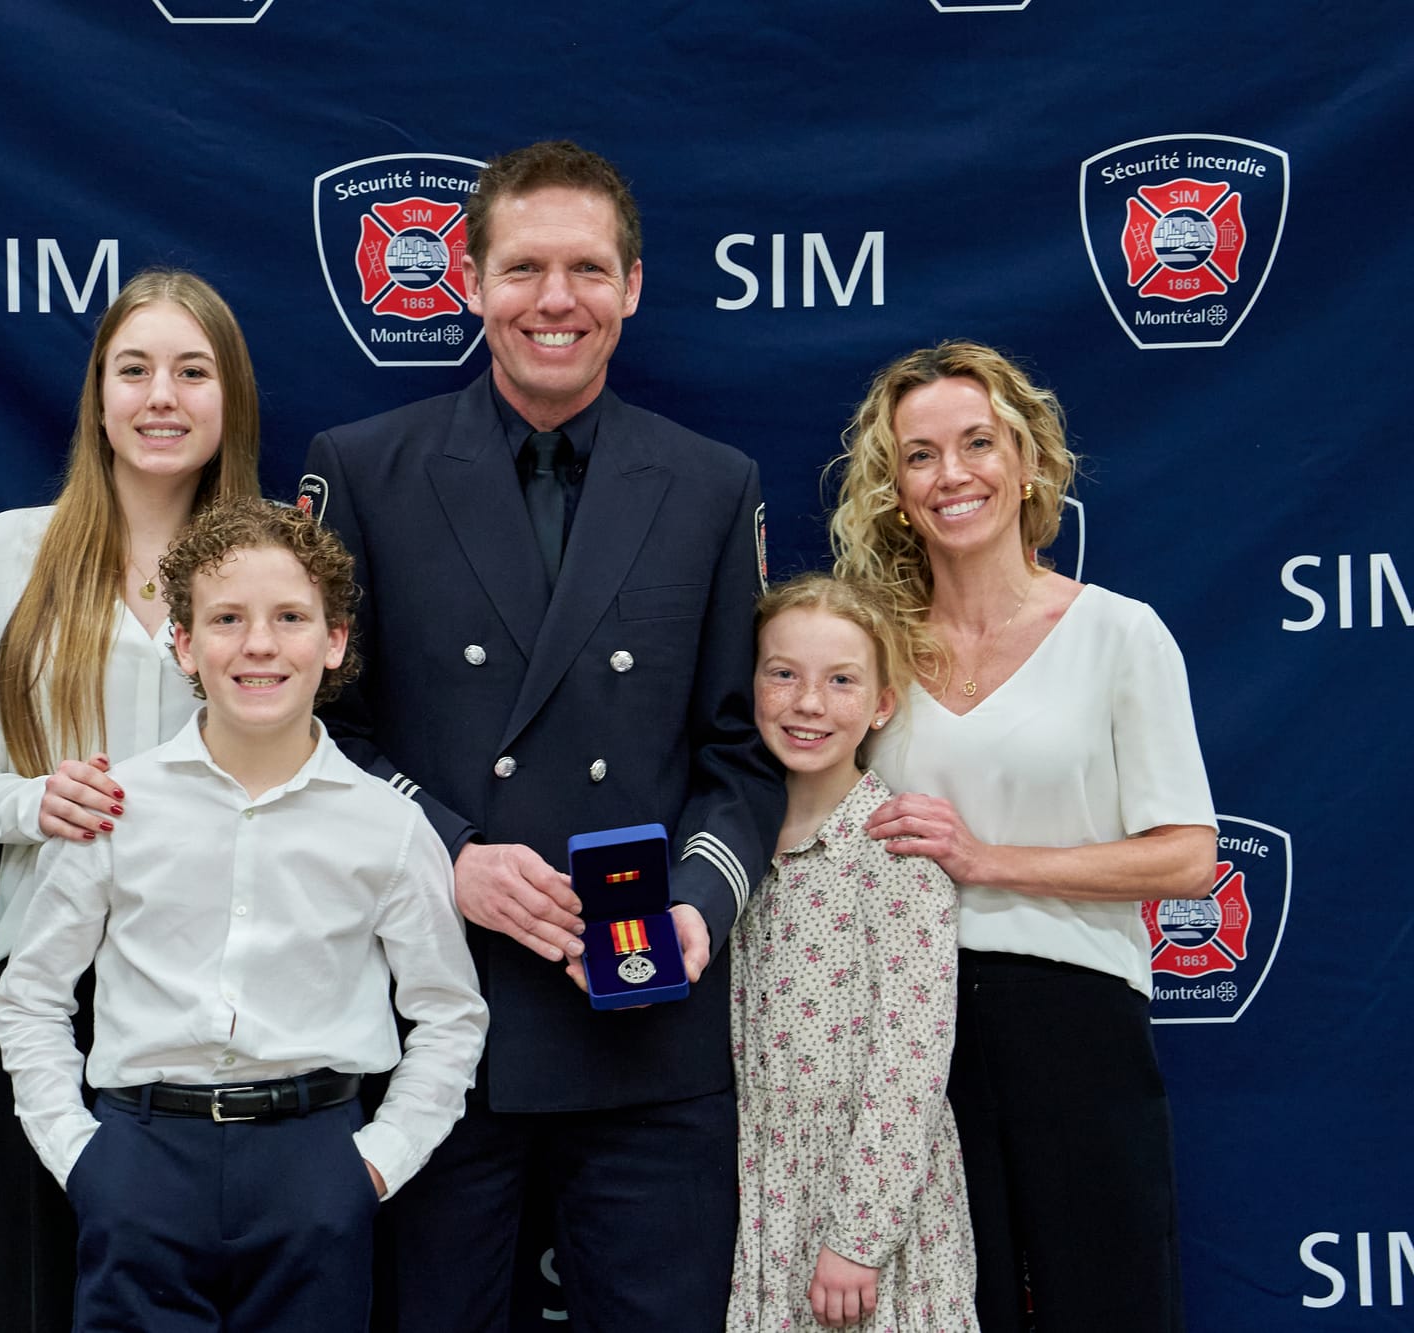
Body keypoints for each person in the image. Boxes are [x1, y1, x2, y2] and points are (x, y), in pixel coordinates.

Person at [300, 139, 786, 1332]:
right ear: (470, 281)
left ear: (632, 286)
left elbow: (740, 752)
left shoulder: (710, 485)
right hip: (434, 1024)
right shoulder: (364, 469)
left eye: (585, 269)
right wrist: (449, 854)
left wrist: (695, 909)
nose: (553, 300)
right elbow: (321, 735)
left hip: (643, 1032)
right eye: (522, 268)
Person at [0, 497, 488, 1332]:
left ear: (335, 640)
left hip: (315, 1168)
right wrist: (83, 1160)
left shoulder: (391, 826)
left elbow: (450, 1014)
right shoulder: (119, 807)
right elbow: (31, 994)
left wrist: (374, 1163)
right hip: (141, 1160)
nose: (259, 643)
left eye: (290, 616)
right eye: (227, 618)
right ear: (184, 643)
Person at [829, 341, 1216, 1333]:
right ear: (893, 488)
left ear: (1028, 461)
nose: (951, 474)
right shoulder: (868, 651)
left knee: (1111, 1304)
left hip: (1074, 1020)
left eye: (976, 443)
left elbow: (1186, 857)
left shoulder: (1119, 634)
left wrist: (987, 861)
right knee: (945, 1314)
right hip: (906, 1033)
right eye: (919, 455)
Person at [0, 268, 262, 1333]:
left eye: (192, 371)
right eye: (134, 369)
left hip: (230, 1002)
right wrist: (38, 803)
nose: (161, 396)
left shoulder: (270, 564)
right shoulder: (4, 555)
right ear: (97, 396)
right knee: (41, 1297)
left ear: (230, 397)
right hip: (48, 995)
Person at [728, 574, 978, 1332]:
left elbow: (911, 1063)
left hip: (869, 1215)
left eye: (841, 681)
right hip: (767, 1197)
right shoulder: (733, 856)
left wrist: (858, 1239)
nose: (809, 703)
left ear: (881, 704)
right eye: (783, 674)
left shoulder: (895, 856)